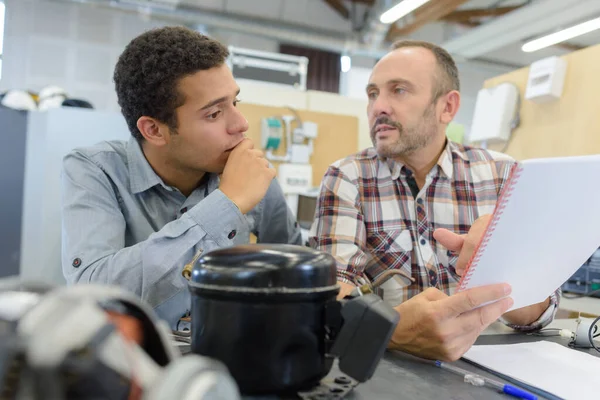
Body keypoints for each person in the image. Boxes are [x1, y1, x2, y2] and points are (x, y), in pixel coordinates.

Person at [309, 40, 559, 361]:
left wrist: (499, 265)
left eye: (398, 90)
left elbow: (541, 313)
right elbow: (330, 298)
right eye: (373, 94)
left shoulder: (503, 175)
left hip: (485, 364)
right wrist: (394, 330)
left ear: (448, 107)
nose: (378, 107)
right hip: (387, 366)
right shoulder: (347, 178)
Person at [61, 26, 302, 329]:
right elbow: (92, 294)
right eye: (214, 114)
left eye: (235, 103)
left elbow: (296, 272)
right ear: (154, 130)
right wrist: (226, 205)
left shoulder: (251, 173)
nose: (241, 125)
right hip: (134, 362)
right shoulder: (95, 170)